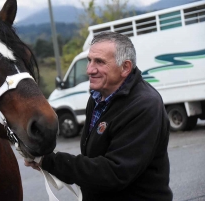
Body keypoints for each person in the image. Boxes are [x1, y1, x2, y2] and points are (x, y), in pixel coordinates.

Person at [25, 31, 173, 200]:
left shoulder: (144, 105)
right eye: (89, 60)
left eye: (100, 62)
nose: (89, 70)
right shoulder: (97, 97)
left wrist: (51, 162)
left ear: (125, 67)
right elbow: (94, 158)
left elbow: (115, 173)